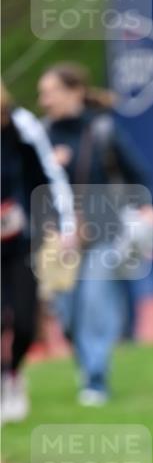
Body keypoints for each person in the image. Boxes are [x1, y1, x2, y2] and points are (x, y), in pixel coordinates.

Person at [38, 62, 153, 404]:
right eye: (42, 94)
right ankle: (85, 361)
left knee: (95, 305)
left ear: (75, 91)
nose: (45, 100)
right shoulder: (40, 135)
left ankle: (95, 379)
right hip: (56, 238)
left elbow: (138, 172)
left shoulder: (103, 129)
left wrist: (148, 206)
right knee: (66, 313)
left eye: (51, 92)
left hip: (102, 233)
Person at [1, 80, 75, 422]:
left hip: (20, 243)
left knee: (25, 322)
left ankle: (14, 374)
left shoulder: (21, 127)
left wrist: (59, 223)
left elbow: (46, 177)